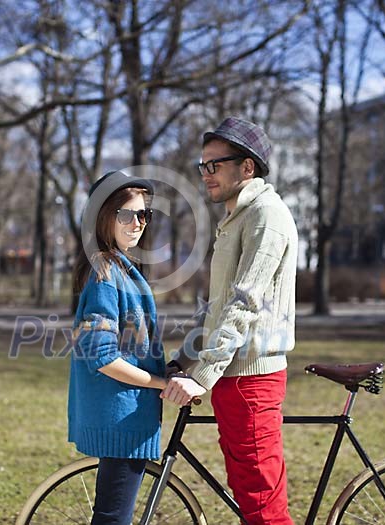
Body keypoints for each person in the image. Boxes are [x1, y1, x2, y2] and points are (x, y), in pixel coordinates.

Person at [161, 117, 298, 525]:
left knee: (263, 509)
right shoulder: (237, 217)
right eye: (202, 166)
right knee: (248, 496)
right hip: (231, 377)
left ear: (248, 167)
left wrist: (200, 376)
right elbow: (216, 307)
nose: (206, 175)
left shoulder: (266, 217)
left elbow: (243, 304)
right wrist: (183, 362)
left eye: (214, 165)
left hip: (251, 381)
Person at [68, 170, 167, 525]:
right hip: (122, 420)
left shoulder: (119, 269)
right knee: (113, 520)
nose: (138, 222)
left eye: (144, 214)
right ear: (102, 218)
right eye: (126, 214)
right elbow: (103, 356)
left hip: (127, 418)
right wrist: (161, 384)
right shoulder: (106, 273)